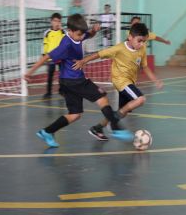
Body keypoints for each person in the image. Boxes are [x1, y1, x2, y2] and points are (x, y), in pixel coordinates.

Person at [24, 14, 129, 147]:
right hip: (74, 80)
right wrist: (29, 72)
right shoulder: (65, 43)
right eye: (79, 35)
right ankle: (116, 128)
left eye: (81, 35)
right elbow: (47, 57)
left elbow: (87, 35)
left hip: (68, 82)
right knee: (102, 98)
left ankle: (47, 132)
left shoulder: (77, 36)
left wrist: (94, 31)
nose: (81, 37)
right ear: (70, 31)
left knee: (75, 114)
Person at [72, 23, 163, 140]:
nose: (142, 44)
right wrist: (83, 61)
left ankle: (98, 128)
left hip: (130, 82)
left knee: (122, 111)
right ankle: (114, 124)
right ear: (130, 37)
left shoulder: (142, 49)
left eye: (144, 41)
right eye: (139, 41)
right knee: (140, 99)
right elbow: (99, 54)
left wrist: (155, 80)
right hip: (120, 81)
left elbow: (144, 66)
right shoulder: (119, 48)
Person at [43, 13, 65, 98]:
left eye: (59, 21)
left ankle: (61, 90)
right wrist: (44, 57)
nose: (57, 23)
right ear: (51, 21)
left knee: (62, 75)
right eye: (55, 21)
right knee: (50, 75)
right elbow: (45, 45)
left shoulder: (63, 32)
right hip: (51, 57)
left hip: (61, 57)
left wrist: (62, 29)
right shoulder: (47, 33)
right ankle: (48, 92)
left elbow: (67, 40)